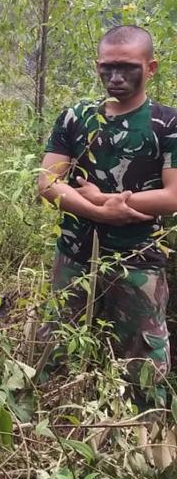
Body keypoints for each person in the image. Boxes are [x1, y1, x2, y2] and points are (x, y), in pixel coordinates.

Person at [38, 25, 177, 406]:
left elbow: (172, 196)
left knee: (143, 363)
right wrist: (100, 209)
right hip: (74, 256)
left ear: (151, 68)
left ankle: (142, 433)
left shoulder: (167, 123)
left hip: (138, 260)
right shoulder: (76, 117)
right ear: (97, 66)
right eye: (108, 67)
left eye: (128, 67)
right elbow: (48, 183)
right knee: (56, 351)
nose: (116, 77)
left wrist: (107, 200)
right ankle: (55, 425)